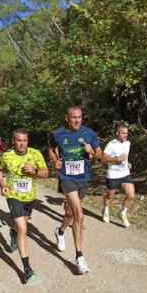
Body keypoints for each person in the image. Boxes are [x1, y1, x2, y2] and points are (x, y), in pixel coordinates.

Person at [48, 106, 102, 274]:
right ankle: (79, 257)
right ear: (67, 118)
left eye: (79, 117)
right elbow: (50, 149)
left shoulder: (88, 133)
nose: (77, 120)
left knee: (71, 213)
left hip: (83, 179)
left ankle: (60, 231)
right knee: (79, 214)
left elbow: (100, 155)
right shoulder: (58, 134)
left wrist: (91, 151)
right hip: (67, 178)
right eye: (73, 117)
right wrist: (55, 160)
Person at [0, 129, 49, 284]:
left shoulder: (35, 154)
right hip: (13, 197)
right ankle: (27, 270)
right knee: (24, 229)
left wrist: (35, 171)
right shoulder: (6, 155)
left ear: (27, 140)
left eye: (24, 140)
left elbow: (46, 173)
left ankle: (13, 233)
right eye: (19, 140)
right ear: (13, 141)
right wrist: (2, 185)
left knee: (21, 225)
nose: (22, 143)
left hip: (29, 198)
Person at [101, 123, 134, 227]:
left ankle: (122, 212)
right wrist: (116, 159)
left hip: (125, 173)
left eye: (126, 133)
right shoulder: (111, 144)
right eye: (123, 133)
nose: (125, 135)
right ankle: (105, 209)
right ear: (117, 133)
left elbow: (125, 156)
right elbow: (103, 158)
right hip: (113, 174)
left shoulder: (127, 143)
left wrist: (127, 163)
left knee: (131, 195)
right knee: (110, 195)